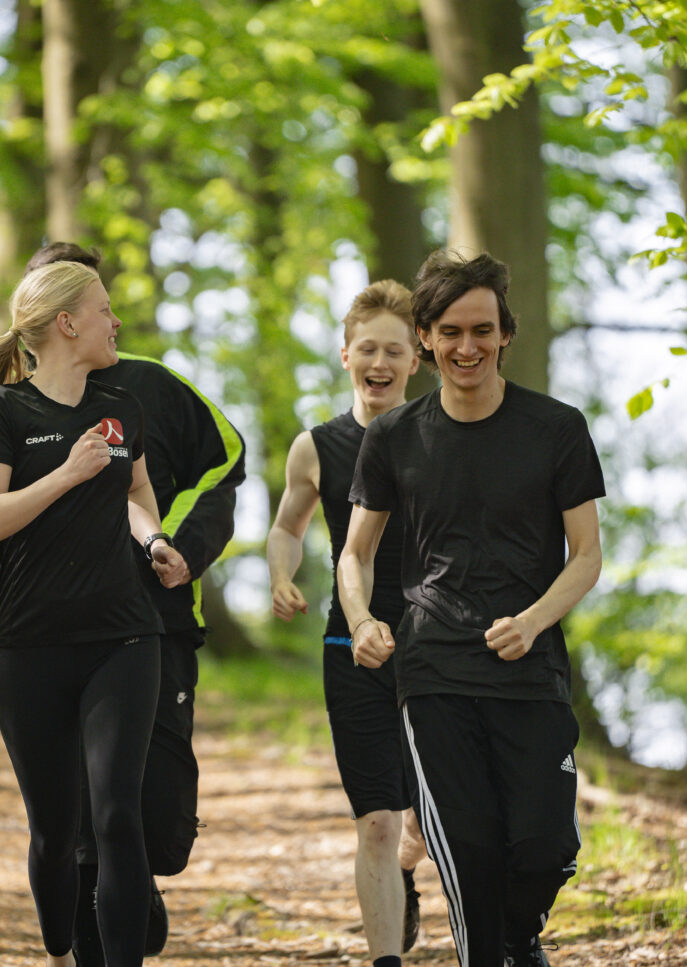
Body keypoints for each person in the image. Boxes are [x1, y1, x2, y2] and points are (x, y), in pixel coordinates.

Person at [0, 244, 246, 964]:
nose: (116, 321)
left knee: (119, 816)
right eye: (104, 309)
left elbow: (138, 491)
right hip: (30, 645)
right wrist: (65, 474)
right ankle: (61, 954)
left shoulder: (124, 405)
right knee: (57, 834)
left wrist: (158, 540)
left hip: (125, 636)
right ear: (66, 322)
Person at [336, 251, 604, 967]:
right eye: (450, 332)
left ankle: (519, 937)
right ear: (425, 337)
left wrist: (535, 619)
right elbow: (355, 553)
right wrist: (362, 620)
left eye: (482, 330)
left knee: (547, 846)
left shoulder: (556, 428)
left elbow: (586, 555)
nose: (467, 347)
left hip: (530, 669)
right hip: (434, 673)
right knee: (471, 855)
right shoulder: (393, 436)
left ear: (505, 333)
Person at [266, 280, 428, 967]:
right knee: (378, 822)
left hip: (436, 647)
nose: (380, 362)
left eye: (394, 350)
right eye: (367, 348)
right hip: (351, 647)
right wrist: (281, 574)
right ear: (345, 355)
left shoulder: (439, 439)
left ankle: (409, 869)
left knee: (424, 824)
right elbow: (286, 526)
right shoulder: (316, 447)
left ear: (416, 359)